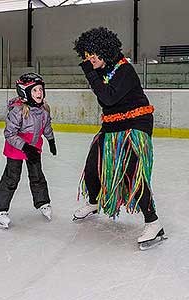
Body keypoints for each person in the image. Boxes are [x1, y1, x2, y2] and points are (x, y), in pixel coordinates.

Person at [73, 27, 166, 250]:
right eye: (85, 55)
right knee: (92, 166)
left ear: (105, 51)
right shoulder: (104, 72)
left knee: (132, 172)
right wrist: (94, 73)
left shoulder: (125, 70)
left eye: (92, 54)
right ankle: (93, 203)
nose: (89, 59)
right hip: (111, 124)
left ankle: (153, 222)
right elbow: (108, 104)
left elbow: (109, 97)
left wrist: (89, 73)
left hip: (136, 125)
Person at [0, 73, 56, 229]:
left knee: (37, 176)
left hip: (34, 148)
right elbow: (9, 133)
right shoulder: (18, 111)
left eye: (40, 89)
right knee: (11, 178)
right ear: (24, 92)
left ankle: (43, 202)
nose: (39, 93)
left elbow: (46, 126)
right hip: (17, 149)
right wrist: (25, 147)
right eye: (35, 90)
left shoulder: (44, 109)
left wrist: (51, 140)